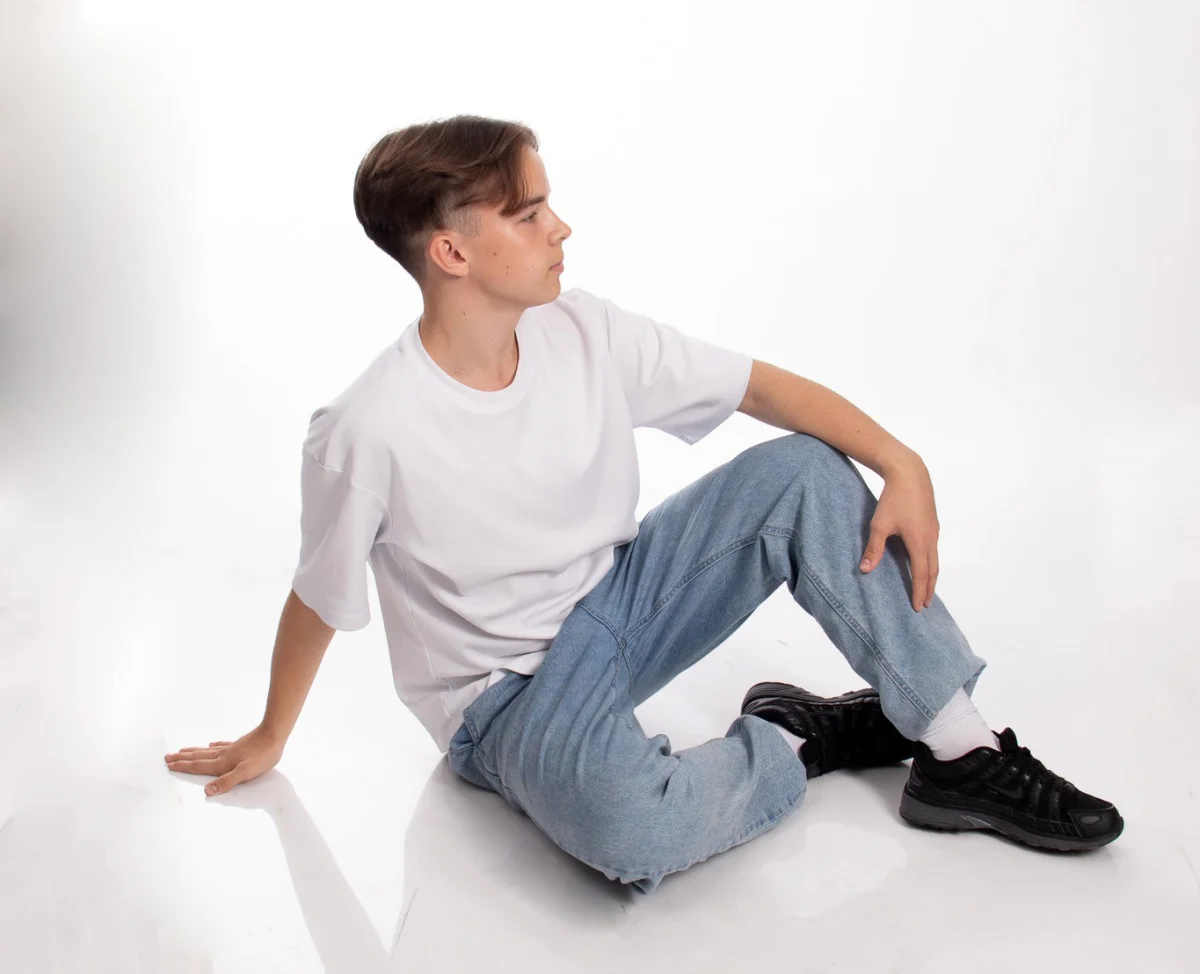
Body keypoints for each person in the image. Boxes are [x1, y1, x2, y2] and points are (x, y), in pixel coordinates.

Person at [164, 114, 1124, 894]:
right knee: (628, 830)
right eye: (529, 214)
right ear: (452, 250)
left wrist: (901, 461)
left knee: (801, 470)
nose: (561, 229)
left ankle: (959, 750)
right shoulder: (367, 429)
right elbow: (319, 595)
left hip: (625, 603)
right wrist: (272, 733)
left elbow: (758, 388)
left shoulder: (581, 329)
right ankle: (796, 737)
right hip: (507, 699)